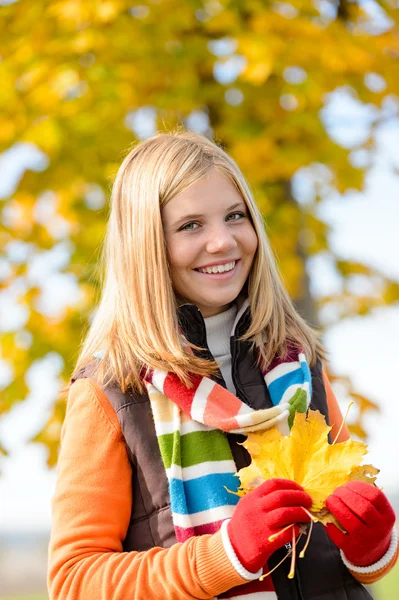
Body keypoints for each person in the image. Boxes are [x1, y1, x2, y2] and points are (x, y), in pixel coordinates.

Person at [48, 129, 397, 600]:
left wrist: (373, 546)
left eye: (235, 216)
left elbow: (356, 562)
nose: (223, 241)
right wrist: (225, 555)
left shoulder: (296, 362)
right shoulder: (111, 390)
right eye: (191, 225)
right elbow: (73, 582)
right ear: (146, 245)